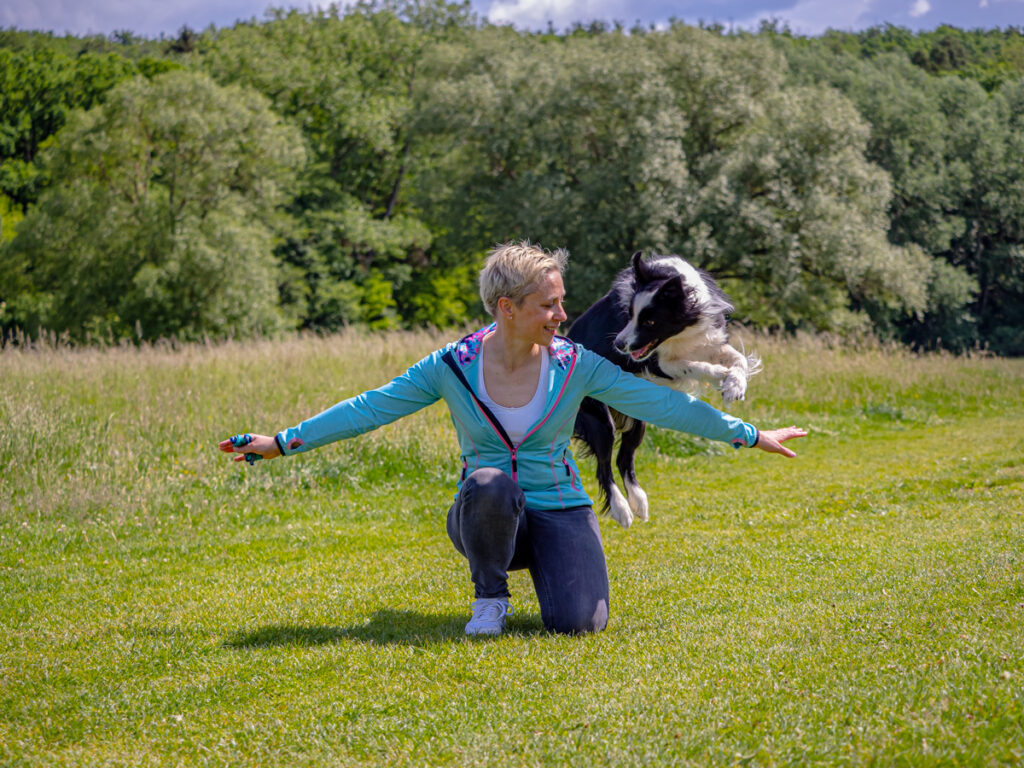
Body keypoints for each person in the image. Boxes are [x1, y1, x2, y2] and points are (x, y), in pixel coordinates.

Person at [219, 242, 807, 637]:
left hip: (560, 509)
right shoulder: (452, 365)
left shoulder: (577, 363)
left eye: (561, 301)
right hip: (487, 513)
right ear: (507, 308)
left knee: (580, 624)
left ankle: (554, 568)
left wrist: (751, 434)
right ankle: (490, 596)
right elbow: (372, 407)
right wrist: (283, 442)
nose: (562, 314)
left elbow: (662, 405)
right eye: (548, 304)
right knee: (489, 481)